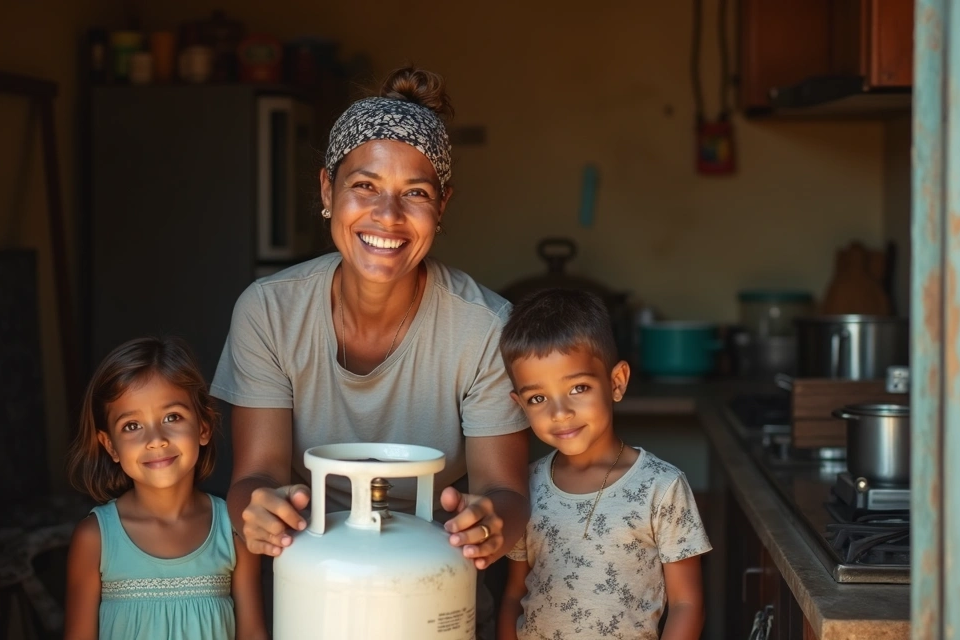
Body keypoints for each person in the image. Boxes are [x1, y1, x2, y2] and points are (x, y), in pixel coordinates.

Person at [213, 66, 531, 634]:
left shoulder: (485, 328)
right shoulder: (270, 312)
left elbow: (503, 492)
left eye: (416, 194)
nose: (388, 216)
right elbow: (253, 477)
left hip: (436, 602)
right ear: (325, 191)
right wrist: (258, 509)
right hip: (312, 595)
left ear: (443, 207)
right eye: (365, 186)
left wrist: (489, 522)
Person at [496, 290, 711, 640]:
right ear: (519, 404)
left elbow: (687, 604)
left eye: (578, 388)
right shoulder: (524, 486)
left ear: (616, 382)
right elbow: (513, 595)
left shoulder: (662, 488)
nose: (560, 412)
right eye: (538, 398)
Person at [64, 336, 266, 640]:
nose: (155, 438)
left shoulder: (234, 529)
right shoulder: (95, 539)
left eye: (172, 417)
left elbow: (253, 634)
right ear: (110, 446)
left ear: (203, 427)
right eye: (132, 426)